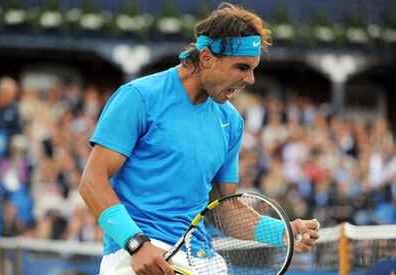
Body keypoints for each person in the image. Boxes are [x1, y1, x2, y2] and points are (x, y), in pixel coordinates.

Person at [79, 2, 320, 274]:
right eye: (241, 67)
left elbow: (223, 210)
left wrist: (283, 232)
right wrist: (136, 243)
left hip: (202, 259)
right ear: (206, 58)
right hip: (138, 256)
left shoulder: (231, 122)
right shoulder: (138, 97)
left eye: (253, 69)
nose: (250, 79)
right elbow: (91, 182)